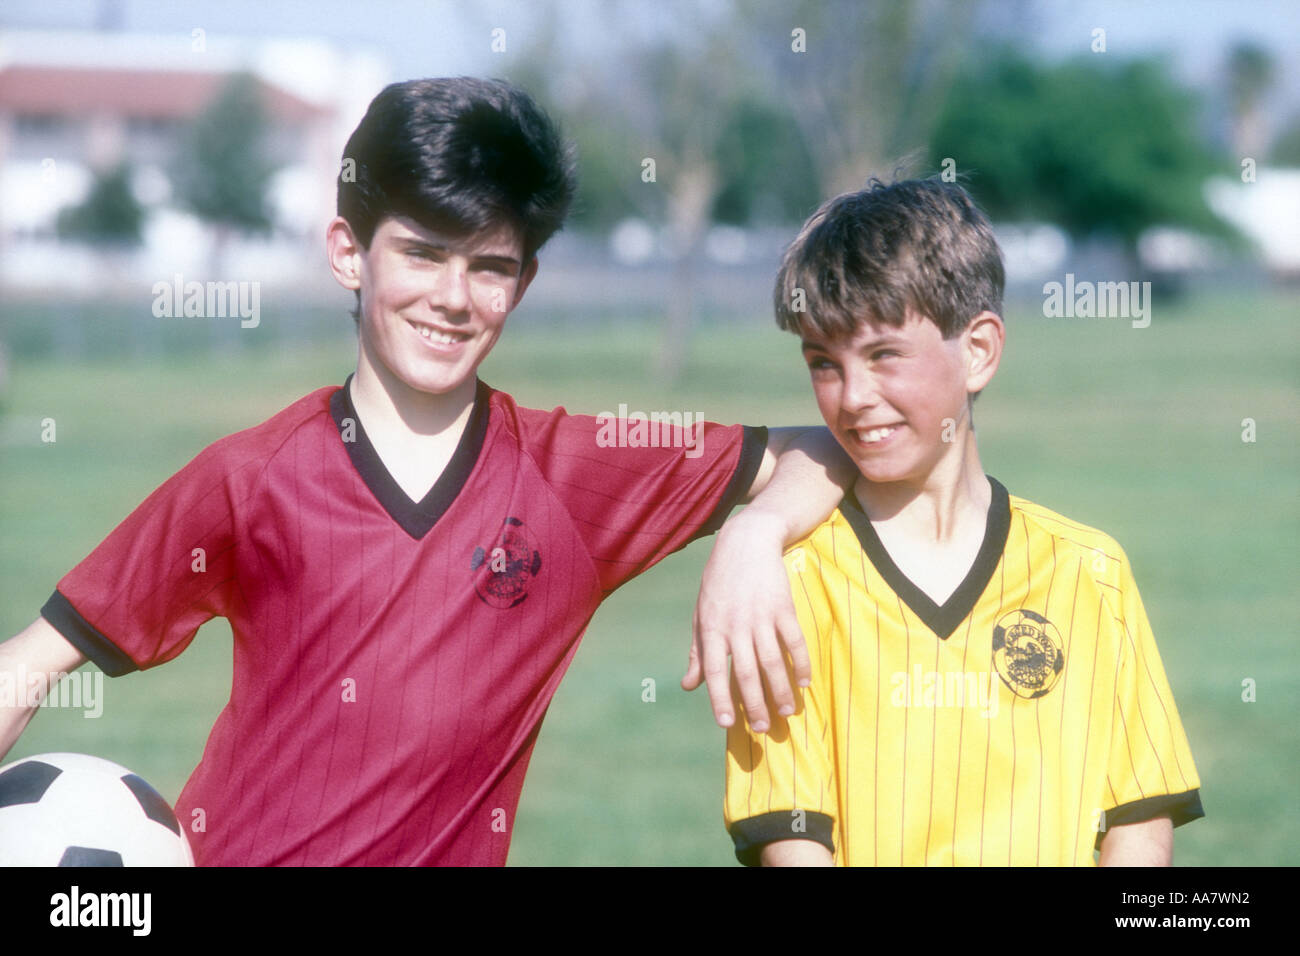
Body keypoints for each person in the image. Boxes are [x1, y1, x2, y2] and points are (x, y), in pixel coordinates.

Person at [0, 77, 850, 865]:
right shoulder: (250, 478)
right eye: (422, 253)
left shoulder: (572, 476)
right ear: (348, 251)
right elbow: (25, 666)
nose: (453, 296)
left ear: (523, 283)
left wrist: (754, 531)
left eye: (490, 266)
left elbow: (827, 445)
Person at [723, 178, 1203, 866]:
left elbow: (1139, 821)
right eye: (824, 364)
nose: (854, 397)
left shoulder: (1090, 572)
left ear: (977, 350)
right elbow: (791, 844)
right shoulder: (786, 586)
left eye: (884, 354)